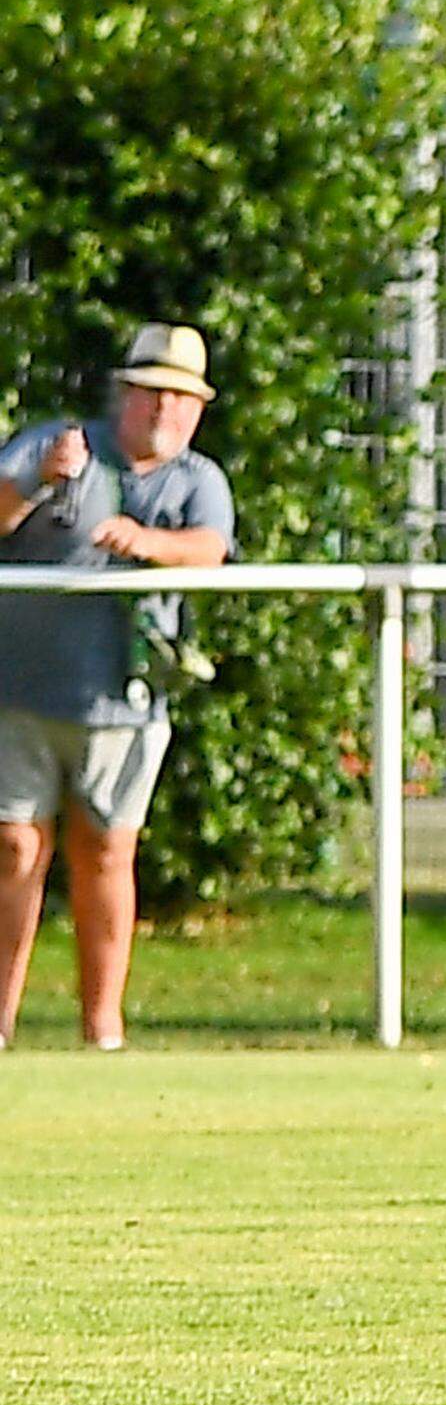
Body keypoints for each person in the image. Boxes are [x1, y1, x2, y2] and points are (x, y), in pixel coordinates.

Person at [0, 325, 236, 1051]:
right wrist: (35, 482)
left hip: (124, 706)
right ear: (123, 395)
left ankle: (101, 1031)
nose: (165, 410)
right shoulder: (54, 444)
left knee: (106, 852)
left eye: (181, 398)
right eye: (152, 394)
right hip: (18, 696)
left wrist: (146, 543)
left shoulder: (200, 478)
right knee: (12, 848)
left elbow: (208, 550)